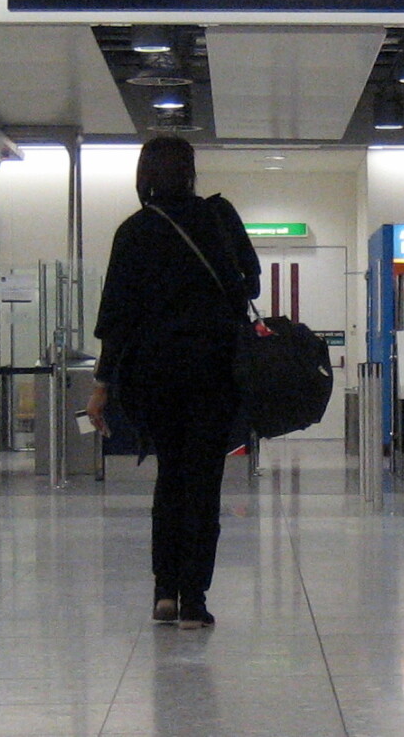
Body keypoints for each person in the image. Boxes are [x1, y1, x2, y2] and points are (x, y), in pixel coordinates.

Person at [85, 135, 261, 630]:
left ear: (144, 176)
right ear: (191, 172)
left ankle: (164, 592)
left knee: (170, 479)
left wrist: (101, 387)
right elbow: (250, 284)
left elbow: (115, 320)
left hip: (155, 376)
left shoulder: (134, 231)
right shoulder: (219, 219)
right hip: (214, 372)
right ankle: (194, 601)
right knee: (203, 483)